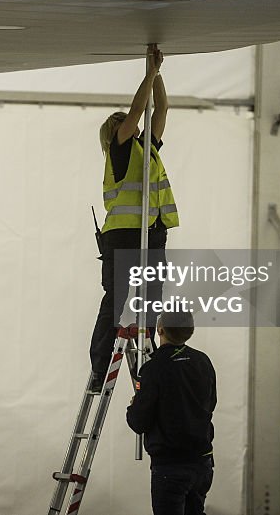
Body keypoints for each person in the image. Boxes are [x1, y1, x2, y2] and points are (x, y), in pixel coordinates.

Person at [88, 45, 178, 391]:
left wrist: (158, 74)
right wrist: (149, 73)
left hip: (153, 234)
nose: (134, 129)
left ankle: (148, 358)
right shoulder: (120, 149)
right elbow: (138, 112)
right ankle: (100, 367)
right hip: (124, 236)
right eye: (125, 126)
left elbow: (161, 109)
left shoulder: (146, 150)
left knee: (151, 297)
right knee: (116, 301)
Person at [126, 311, 216, 515]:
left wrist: (133, 406)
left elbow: (139, 422)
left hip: (171, 467)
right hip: (203, 462)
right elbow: (210, 404)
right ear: (190, 331)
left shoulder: (154, 368)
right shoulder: (203, 361)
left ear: (160, 329)